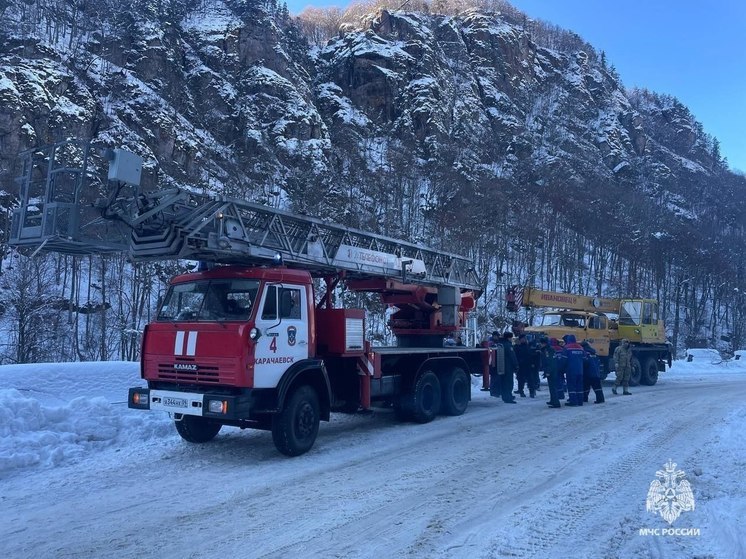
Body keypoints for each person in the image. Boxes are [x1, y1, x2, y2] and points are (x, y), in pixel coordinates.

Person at [558, 334, 585, 406]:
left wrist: (560, 369)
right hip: (580, 370)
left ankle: (573, 401)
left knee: (571, 386)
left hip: (571, 370)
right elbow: (585, 359)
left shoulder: (567, 348)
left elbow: (563, 360)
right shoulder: (581, 348)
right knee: (579, 386)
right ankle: (580, 401)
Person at [492, 331, 518, 403]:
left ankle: (505, 396)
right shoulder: (508, 345)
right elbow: (512, 356)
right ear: (509, 338)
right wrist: (516, 365)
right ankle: (508, 397)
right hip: (508, 367)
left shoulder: (500, 344)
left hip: (501, 367)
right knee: (508, 383)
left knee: (503, 382)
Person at [539, 337, 561, 408]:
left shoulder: (547, 350)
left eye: (541, 343)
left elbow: (549, 361)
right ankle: (553, 400)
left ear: (543, 343)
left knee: (552, 387)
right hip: (552, 370)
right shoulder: (550, 349)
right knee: (552, 386)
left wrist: (548, 371)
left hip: (551, 371)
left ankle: (556, 403)